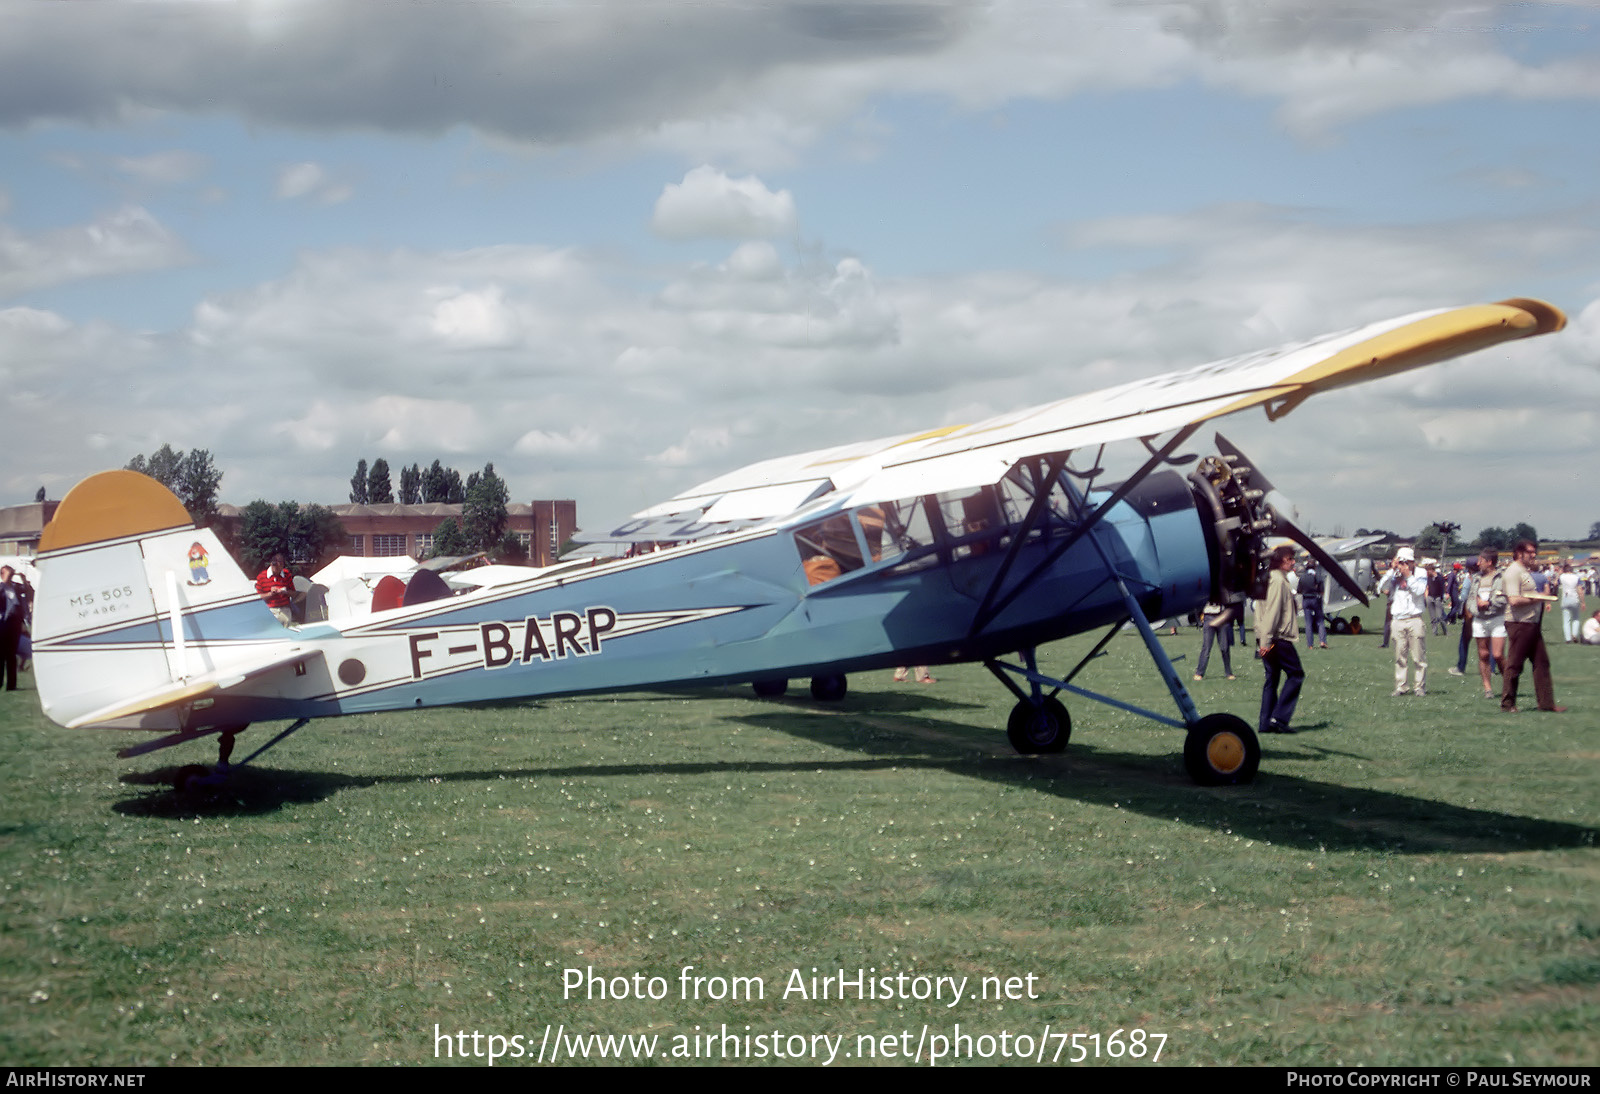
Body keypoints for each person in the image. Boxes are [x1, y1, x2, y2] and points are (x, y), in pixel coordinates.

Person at [1501, 539, 1565, 713]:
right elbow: (1513, 600)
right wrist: (1538, 598)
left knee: (1541, 662)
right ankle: (1507, 704)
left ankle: (1546, 704)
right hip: (1520, 623)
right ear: (1519, 553)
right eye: (1530, 552)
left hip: (1531, 623)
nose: (1534, 555)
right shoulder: (1513, 572)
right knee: (1514, 664)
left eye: (1534, 551)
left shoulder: (1523, 571)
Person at [1255, 545, 1302, 734]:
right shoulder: (1278, 581)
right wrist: (1266, 642)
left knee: (1272, 678)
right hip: (1277, 637)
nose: (1293, 562)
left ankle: (1265, 723)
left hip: (1265, 635)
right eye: (1289, 559)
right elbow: (1272, 612)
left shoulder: (1270, 578)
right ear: (1280, 561)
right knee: (1296, 674)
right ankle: (1279, 718)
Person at [1378, 547, 1429, 697]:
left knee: (1419, 657)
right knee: (1400, 657)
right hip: (1398, 619)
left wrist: (1408, 577)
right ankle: (1401, 686)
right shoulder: (1394, 574)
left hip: (1414, 618)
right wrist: (1391, 571)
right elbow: (1381, 587)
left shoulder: (1421, 573)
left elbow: (1419, 591)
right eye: (1400, 562)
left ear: (1412, 562)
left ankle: (1419, 687)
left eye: (1405, 562)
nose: (1402, 565)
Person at [1465, 548, 1508, 700]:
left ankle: (1508, 684)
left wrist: (1489, 604)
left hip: (1497, 618)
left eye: (1481, 561)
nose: (1478, 563)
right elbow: (1470, 599)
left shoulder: (1501, 577)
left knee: (1497, 655)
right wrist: (1476, 606)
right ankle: (1488, 688)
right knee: (1483, 654)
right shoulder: (1476, 578)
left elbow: (1504, 598)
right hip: (1480, 619)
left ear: (1489, 562)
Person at [1193, 602, 1236, 681]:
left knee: (1224, 647)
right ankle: (1199, 672)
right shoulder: (1205, 591)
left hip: (1221, 616)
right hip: (1208, 616)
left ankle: (1229, 672)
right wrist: (1199, 620)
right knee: (1206, 647)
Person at [0, 566, 25, 691]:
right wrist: (4, 582)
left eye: (11, 574)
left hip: (14, 623)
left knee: (11, 654)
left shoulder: (16, 587)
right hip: (2, 622)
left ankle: (11, 684)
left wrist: (24, 579)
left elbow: (29, 592)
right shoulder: (1, 587)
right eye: (8, 574)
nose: (10, 577)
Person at [255, 553, 296, 625]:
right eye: (276, 568)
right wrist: (270, 594)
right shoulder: (262, 576)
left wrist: (285, 592)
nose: (278, 571)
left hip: (285, 610)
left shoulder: (287, 574)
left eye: (280, 568)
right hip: (270, 610)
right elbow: (258, 598)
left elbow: (293, 593)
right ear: (271, 564)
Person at [1300, 560, 1327, 649]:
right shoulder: (1317, 576)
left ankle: (1310, 645)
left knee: (1308, 623)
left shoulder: (1302, 577)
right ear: (1315, 567)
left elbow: (1298, 590)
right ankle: (1322, 641)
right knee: (1320, 622)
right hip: (1315, 600)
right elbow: (1322, 591)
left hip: (1306, 600)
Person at [1557, 562, 1585, 643]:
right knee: (1576, 618)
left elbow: (1555, 583)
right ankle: (1575, 634)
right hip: (1574, 598)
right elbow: (1580, 590)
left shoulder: (1562, 577)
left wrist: (1558, 574)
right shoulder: (1576, 577)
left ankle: (1568, 638)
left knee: (1566, 620)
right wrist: (1583, 602)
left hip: (1565, 598)